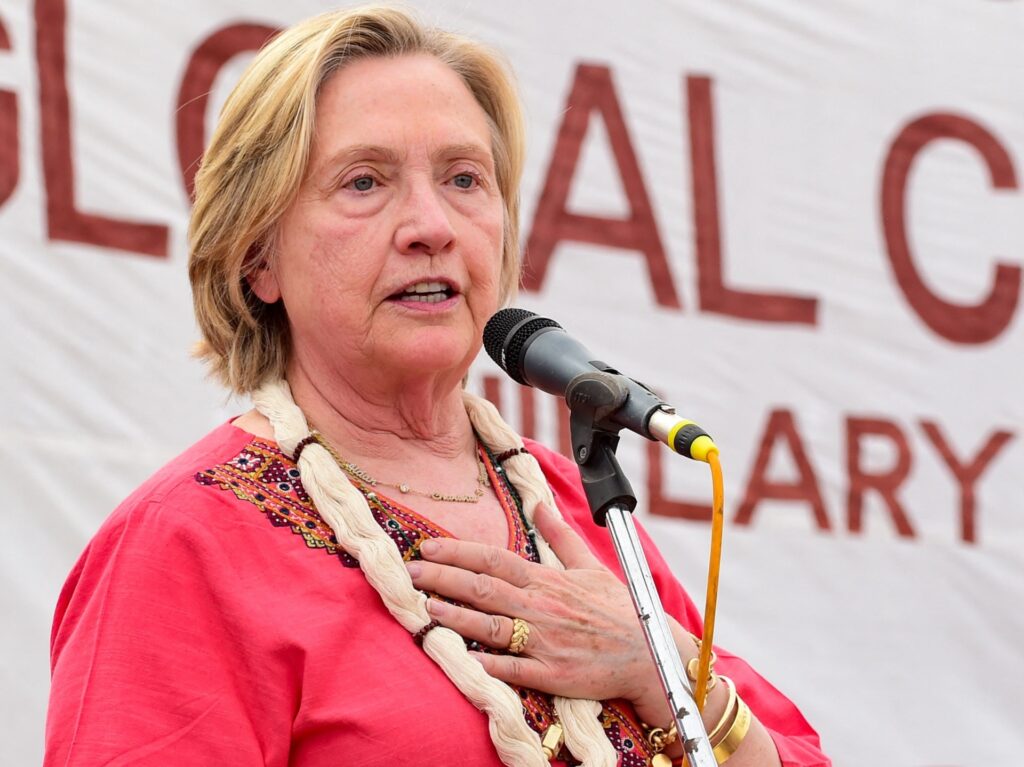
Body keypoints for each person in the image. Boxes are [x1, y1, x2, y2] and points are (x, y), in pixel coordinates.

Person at [44, 7, 830, 766]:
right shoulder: (185, 544)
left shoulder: (577, 510)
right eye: (363, 182)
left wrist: (660, 661)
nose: (432, 224)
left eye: (463, 177)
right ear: (260, 258)